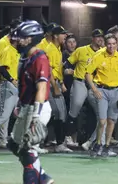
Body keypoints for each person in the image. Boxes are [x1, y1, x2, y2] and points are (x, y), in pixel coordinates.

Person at [6, 20, 54, 184]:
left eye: (22, 38)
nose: (18, 41)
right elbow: (25, 86)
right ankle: (43, 177)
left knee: (28, 150)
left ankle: (36, 179)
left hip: (37, 107)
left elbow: (41, 87)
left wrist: (35, 115)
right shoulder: (25, 57)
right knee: (13, 144)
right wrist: (20, 104)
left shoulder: (40, 58)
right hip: (27, 106)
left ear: (32, 38)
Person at [85, 34, 118, 157]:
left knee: (112, 120)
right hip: (102, 90)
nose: (111, 46)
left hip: (116, 91)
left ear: (117, 44)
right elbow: (88, 73)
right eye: (109, 44)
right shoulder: (99, 56)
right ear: (106, 44)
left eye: (113, 44)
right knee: (102, 121)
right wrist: (94, 89)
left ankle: (107, 145)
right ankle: (98, 144)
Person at [64, 29, 102, 151]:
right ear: (92, 38)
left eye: (101, 37)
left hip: (94, 85)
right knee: (75, 109)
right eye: (97, 37)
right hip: (80, 82)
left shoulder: (104, 53)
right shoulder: (81, 50)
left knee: (99, 113)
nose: (100, 39)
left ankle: (92, 140)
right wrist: (67, 72)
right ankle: (67, 136)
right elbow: (67, 65)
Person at [44, 25, 71, 153]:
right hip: (50, 84)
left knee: (59, 113)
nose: (65, 36)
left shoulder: (58, 48)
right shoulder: (50, 49)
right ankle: (57, 143)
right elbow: (48, 70)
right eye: (62, 34)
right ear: (55, 35)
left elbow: (57, 69)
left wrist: (61, 83)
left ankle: (57, 141)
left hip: (56, 83)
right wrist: (55, 87)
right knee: (58, 113)